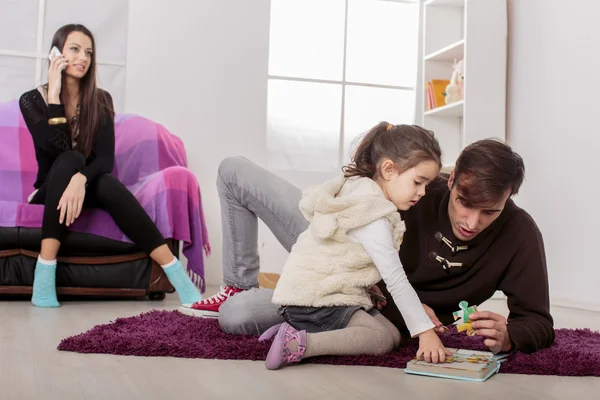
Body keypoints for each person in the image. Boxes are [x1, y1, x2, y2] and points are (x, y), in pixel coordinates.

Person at [182, 137, 554, 355]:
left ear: (510, 198)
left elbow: (539, 321)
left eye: (489, 212)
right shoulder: (418, 190)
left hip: (347, 295)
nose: (471, 222)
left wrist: (512, 336)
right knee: (234, 170)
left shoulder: (519, 234)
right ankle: (239, 282)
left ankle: (248, 302)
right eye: (464, 204)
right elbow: (358, 201)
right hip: (335, 240)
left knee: (236, 316)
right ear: (451, 178)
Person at [19, 24, 202, 308]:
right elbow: (57, 150)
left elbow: (105, 160)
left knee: (105, 180)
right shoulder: (31, 100)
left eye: (88, 53)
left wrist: (80, 180)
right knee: (72, 158)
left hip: (88, 186)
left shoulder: (101, 100)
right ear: (56, 54)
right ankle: (44, 276)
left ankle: (178, 276)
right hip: (49, 188)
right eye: (75, 50)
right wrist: (54, 96)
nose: (83, 58)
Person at [254, 122, 450, 369]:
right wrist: (425, 331)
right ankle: (299, 344)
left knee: (391, 334)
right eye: (418, 182)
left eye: (426, 185)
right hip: (316, 301)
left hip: (323, 296)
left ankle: (294, 328)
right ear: (388, 169)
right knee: (380, 340)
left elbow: (346, 255)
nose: (422, 193)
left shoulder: (359, 190)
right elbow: (396, 279)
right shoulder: (372, 215)